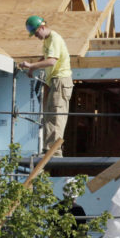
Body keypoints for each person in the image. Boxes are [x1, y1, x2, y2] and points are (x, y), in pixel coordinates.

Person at [17, 15, 73, 156]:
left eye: (36, 33)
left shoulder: (54, 38)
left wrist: (31, 65)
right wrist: (32, 68)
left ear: (42, 27)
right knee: (48, 115)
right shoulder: (47, 41)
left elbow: (52, 61)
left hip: (60, 80)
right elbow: (45, 58)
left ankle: (54, 151)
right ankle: (48, 149)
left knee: (56, 115)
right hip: (53, 81)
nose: (36, 36)